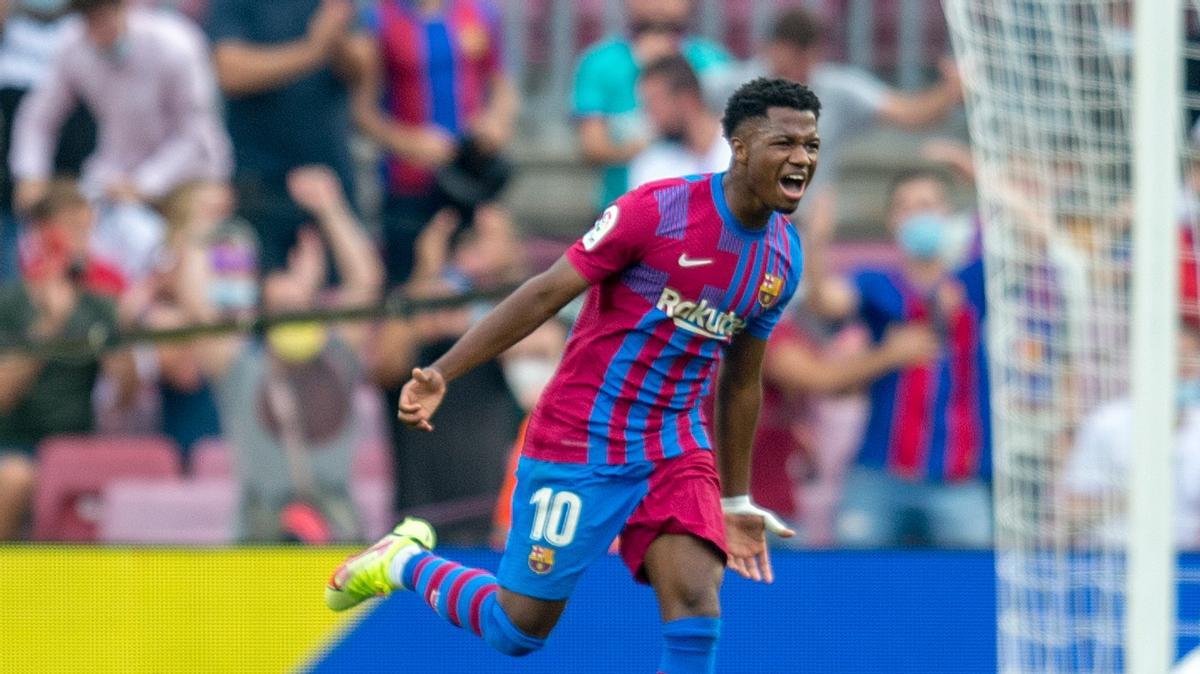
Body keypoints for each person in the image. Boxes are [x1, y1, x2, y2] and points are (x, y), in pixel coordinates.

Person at [326, 78, 819, 673]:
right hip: (582, 437)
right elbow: (542, 293)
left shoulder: (782, 258)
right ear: (740, 147)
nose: (802, 158)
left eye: (812, 145)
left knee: (696, 604)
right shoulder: (656, 211)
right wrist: (442, 371)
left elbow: (741, 382)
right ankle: (404, 560)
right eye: (785, 142)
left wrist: (736, 498)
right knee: (517, 629)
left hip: (674, 444)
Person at [178, 165, 383, 542]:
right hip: (260, 534)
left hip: (337, 532)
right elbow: (198, 310)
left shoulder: (338, 357)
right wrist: (200, 228)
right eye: (282, 311)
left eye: (301, 309)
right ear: (262, 318)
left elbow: (365, 284)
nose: (293, 320)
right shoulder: (240, 369)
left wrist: (331, 208)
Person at [806, 168, 992, 548]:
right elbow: (825, 301)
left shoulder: (977, 282)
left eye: (927, 205)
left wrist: (978, 176)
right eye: (906, 208)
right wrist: (816, 242)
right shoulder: (878, 284)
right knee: (855, 581)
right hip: (880, 473)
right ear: (892, 222)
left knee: (969, 591)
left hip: (958, 480)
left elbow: (1032, 241)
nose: (917, 215)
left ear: (947, 215)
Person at [10, 0, 231, 284]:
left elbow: (197, 134)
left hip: (190, 177)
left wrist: (144, 183)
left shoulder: (175, 43)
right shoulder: (73, 48)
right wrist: (31, 174)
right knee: (70, 252)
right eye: (90, 17)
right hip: (116, 182)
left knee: (190, 277)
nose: (101, 25)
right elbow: (38, 119)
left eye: (106, 11)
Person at [708, 7, 962, 219]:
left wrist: (949, 91)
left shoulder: (839, 92)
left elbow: (909, 112)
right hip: (739, 215)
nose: (797, 71)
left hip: (803, 221)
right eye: (790, 60)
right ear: (771, 49)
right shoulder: (731, 85)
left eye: (805, 60)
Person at [343, 0, 518, 286]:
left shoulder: (479, 12)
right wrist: (407, 142)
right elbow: (362, 111)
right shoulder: (379, 19)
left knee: (481, 290)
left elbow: (502, 86)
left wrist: (496, 123)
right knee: (413, 290)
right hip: (409, 186)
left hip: (472, 182)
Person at [0, 184, 138, 540]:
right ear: (43, 233)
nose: (83, 241)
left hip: (79, 446)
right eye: (73, 229)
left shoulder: (101, 304)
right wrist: (49, 326)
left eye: (87, 230)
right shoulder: (10, 304)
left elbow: (125, 397)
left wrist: (120, 340)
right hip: (16, 445)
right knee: (14, 478)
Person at [206, 0, 358, 273]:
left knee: (346, 296)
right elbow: (230, 71)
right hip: (261, 183)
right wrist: (312, 51)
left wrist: (336, 41)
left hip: (329, 175)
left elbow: (362, 69)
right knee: (266, 299)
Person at [573, 0, 731, 210]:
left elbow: (733, 136)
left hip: (710, 213)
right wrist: (645, 141)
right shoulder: (600, 63)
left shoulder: (714, 61)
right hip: (620, 215)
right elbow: (591, 147)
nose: (658, 4)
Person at [1061, 322, 1200, 549]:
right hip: (1116, 555)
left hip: (1188, 560)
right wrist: (1130, 500)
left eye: (1190, 362)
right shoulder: (1107, 423)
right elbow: (1070, 508)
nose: (1184, 371)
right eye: (1177, 362)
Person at [628, 55, 730, 190]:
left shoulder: (746, 150)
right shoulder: (651, 164)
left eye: (654, 103)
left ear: (686, 99)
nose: (649, 116)